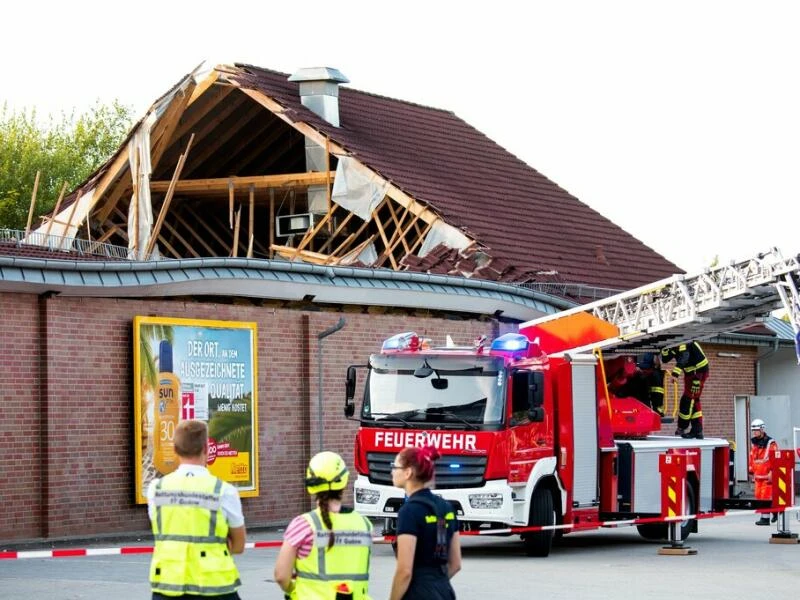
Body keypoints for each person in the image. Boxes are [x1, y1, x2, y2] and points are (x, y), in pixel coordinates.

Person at [147, 419, 246, 600]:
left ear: (175, 449)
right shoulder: (224, 491)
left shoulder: (156, 489)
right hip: (215, 588)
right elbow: (239, 545)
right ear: (206, 449)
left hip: (168, 587)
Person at [274, 451, 373, 599]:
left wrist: (293, 590)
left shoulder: (304, 525)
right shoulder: (364, 524)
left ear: (311, 484)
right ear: (344, 480)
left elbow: (281, 575)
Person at [389, 446, 461, 600]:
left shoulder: (409, 512)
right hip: (444, 591)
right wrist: (435, 584)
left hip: (417, 593)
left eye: (395, 467)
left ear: (408, 472)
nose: (392, 471)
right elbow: (455, 564)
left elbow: (405, 571)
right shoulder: (446, 507)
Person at [660, 341, 709, 438]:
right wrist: (665, 349)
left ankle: (682, 428)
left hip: (697, 372)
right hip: (693, 373)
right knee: (694, 401)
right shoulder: (673, 342)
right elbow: (665, 359)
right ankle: (697, 430)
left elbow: (684, 357)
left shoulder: (683, 340)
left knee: (687, 400)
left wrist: (675, 374)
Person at [748, 418, 780, 526]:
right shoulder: (754, 443)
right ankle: (775, 510)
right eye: (753, 430)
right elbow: (752, 458)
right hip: (758, 475)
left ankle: (765, 519)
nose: (754, 432)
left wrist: (772, 472)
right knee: (758, 496)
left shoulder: (771, 443)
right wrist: (751, 471)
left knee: (765, 497)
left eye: (756, 430)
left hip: (767, 475)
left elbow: (775, 459)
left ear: (762, 429)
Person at [636, 353, 665, 417]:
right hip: (642, 375)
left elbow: (656, 363)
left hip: (647, 376)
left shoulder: (655, 373)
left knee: (647, 395)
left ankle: (653, 410)